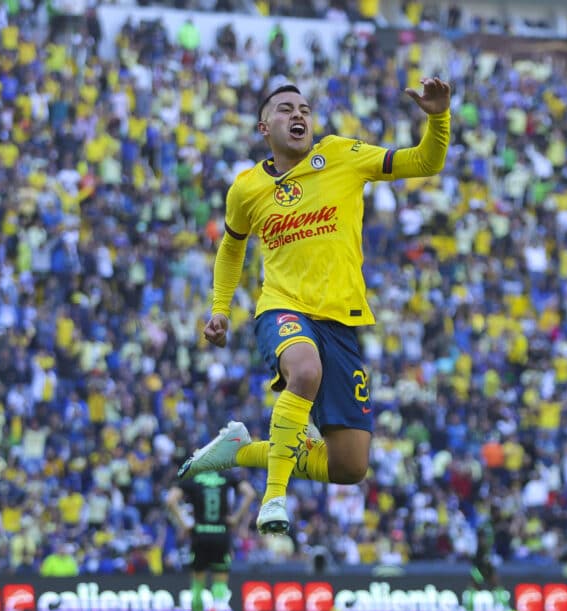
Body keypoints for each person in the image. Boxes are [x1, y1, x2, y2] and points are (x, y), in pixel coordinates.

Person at [177, 78, 452, 535]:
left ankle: (242, 450)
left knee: (349, 466)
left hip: (341, 321)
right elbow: (231, 248)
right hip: (282, 309)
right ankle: (273, 497)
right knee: (304, 372)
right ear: (264, 127)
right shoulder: (246, 188)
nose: (298, 115)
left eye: (304, 108)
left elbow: (425, 160)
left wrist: (438, 116)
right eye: (286, 109)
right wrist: (220, 308)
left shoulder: (343, 155)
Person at [167, 470, 256, 611]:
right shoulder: (226, 476)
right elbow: (250, 493)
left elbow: (171, 500)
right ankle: (217, 606)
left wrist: (184, 523)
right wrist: (236, 518)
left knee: (197, 584)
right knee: (220, 581)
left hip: (199, 534)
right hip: (221, 533)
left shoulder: (192, 479)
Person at [463, 514, 522, 611]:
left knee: (496, 584)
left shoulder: (488, 532)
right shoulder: (482, 532)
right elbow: (478, 548)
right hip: (478, 565)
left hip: (485, 564)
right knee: (475, 586)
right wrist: (482, 559)